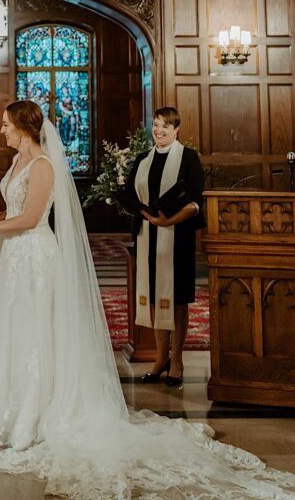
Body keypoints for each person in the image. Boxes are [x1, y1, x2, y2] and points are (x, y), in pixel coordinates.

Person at [0, 100, 295, 500]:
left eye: (6, 124)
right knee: (17, 330)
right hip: (15, 256)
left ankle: (37, 412)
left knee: (37, 333)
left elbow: (31, 219)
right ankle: (12, 411)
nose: (1, 130)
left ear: (24, 127)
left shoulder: (43, 164)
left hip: (34, 256)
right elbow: (15, 209)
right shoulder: (16, 164)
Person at [123, 105, 205, 386]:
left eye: (165, 126)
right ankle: (160, 359)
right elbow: (129, 195)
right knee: (156, 298)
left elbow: (195, 199)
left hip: (177, 238)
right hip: (148, 235)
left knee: (178, 299)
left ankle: (177, 360)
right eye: (156, 125)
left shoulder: (188, 157)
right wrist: (147, 215)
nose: (159, 130)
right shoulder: (142, 159)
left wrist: (169, 221)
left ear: (176, 129)